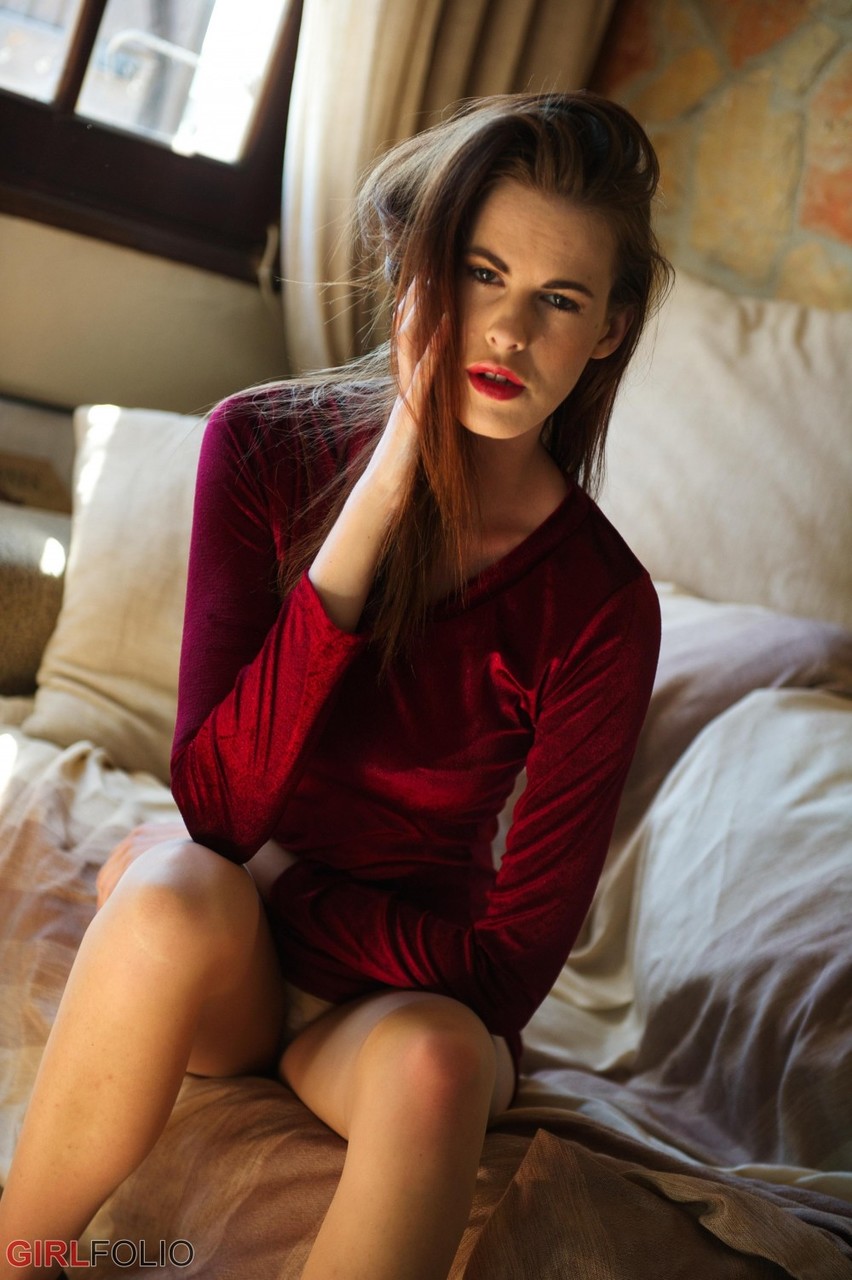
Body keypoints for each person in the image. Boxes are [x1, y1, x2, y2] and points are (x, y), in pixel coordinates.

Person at [0, 91, 671, 1280]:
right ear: (420, 271)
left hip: (398, 1004)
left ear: (610, 329)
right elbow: (216, 811)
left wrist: (279, 879)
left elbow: (509, 969)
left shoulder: (604, 604)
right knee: (167, 898)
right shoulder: (262, 446)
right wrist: (380, 494)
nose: (508, 331)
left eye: (559, 299)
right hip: (231, 952)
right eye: (480, 272)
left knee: (442, 1066)